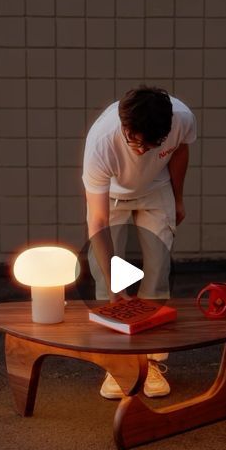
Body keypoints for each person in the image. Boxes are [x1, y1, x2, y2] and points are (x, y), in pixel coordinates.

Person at [82, 85, 197, 399]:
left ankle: (152, 361)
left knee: (158, 273)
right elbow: (98, 222)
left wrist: (178, 198)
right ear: (124, 126)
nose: (143, 151)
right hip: (112, 197)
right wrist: (118, 288)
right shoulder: (102, 142)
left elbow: (181, 150)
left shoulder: (182, 118)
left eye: (152, 144)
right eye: (136, 141)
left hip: (156, 189)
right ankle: (117, 364)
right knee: (107, 278)